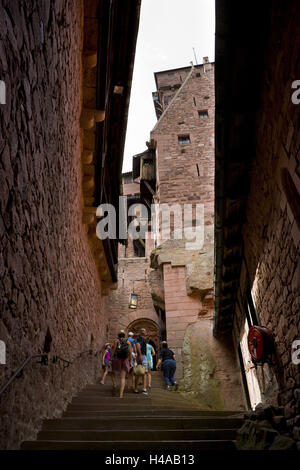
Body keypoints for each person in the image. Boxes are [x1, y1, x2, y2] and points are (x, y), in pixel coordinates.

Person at [110, 330, 132, 398]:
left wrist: (110, 358)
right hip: (125, 360)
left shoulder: (116, 341)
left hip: (117, 359)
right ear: (124, 335)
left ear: (118, 335)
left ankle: (114, 384)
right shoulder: (128, 342)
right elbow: (130, 353)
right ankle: (121, 395)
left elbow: (113, 351)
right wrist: (130, 361)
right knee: (123, 378)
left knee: (112, 372)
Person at [134, 328, 149, 394]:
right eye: (145, 331)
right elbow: (137, 345)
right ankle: (143, 389)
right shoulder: (140, 338)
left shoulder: (142, 338)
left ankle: (138, 388)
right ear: (142, 332)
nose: (146, 332)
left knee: (139, 373)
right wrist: (140, 355)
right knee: (144, 373)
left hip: (141, 356)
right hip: (142, 356)